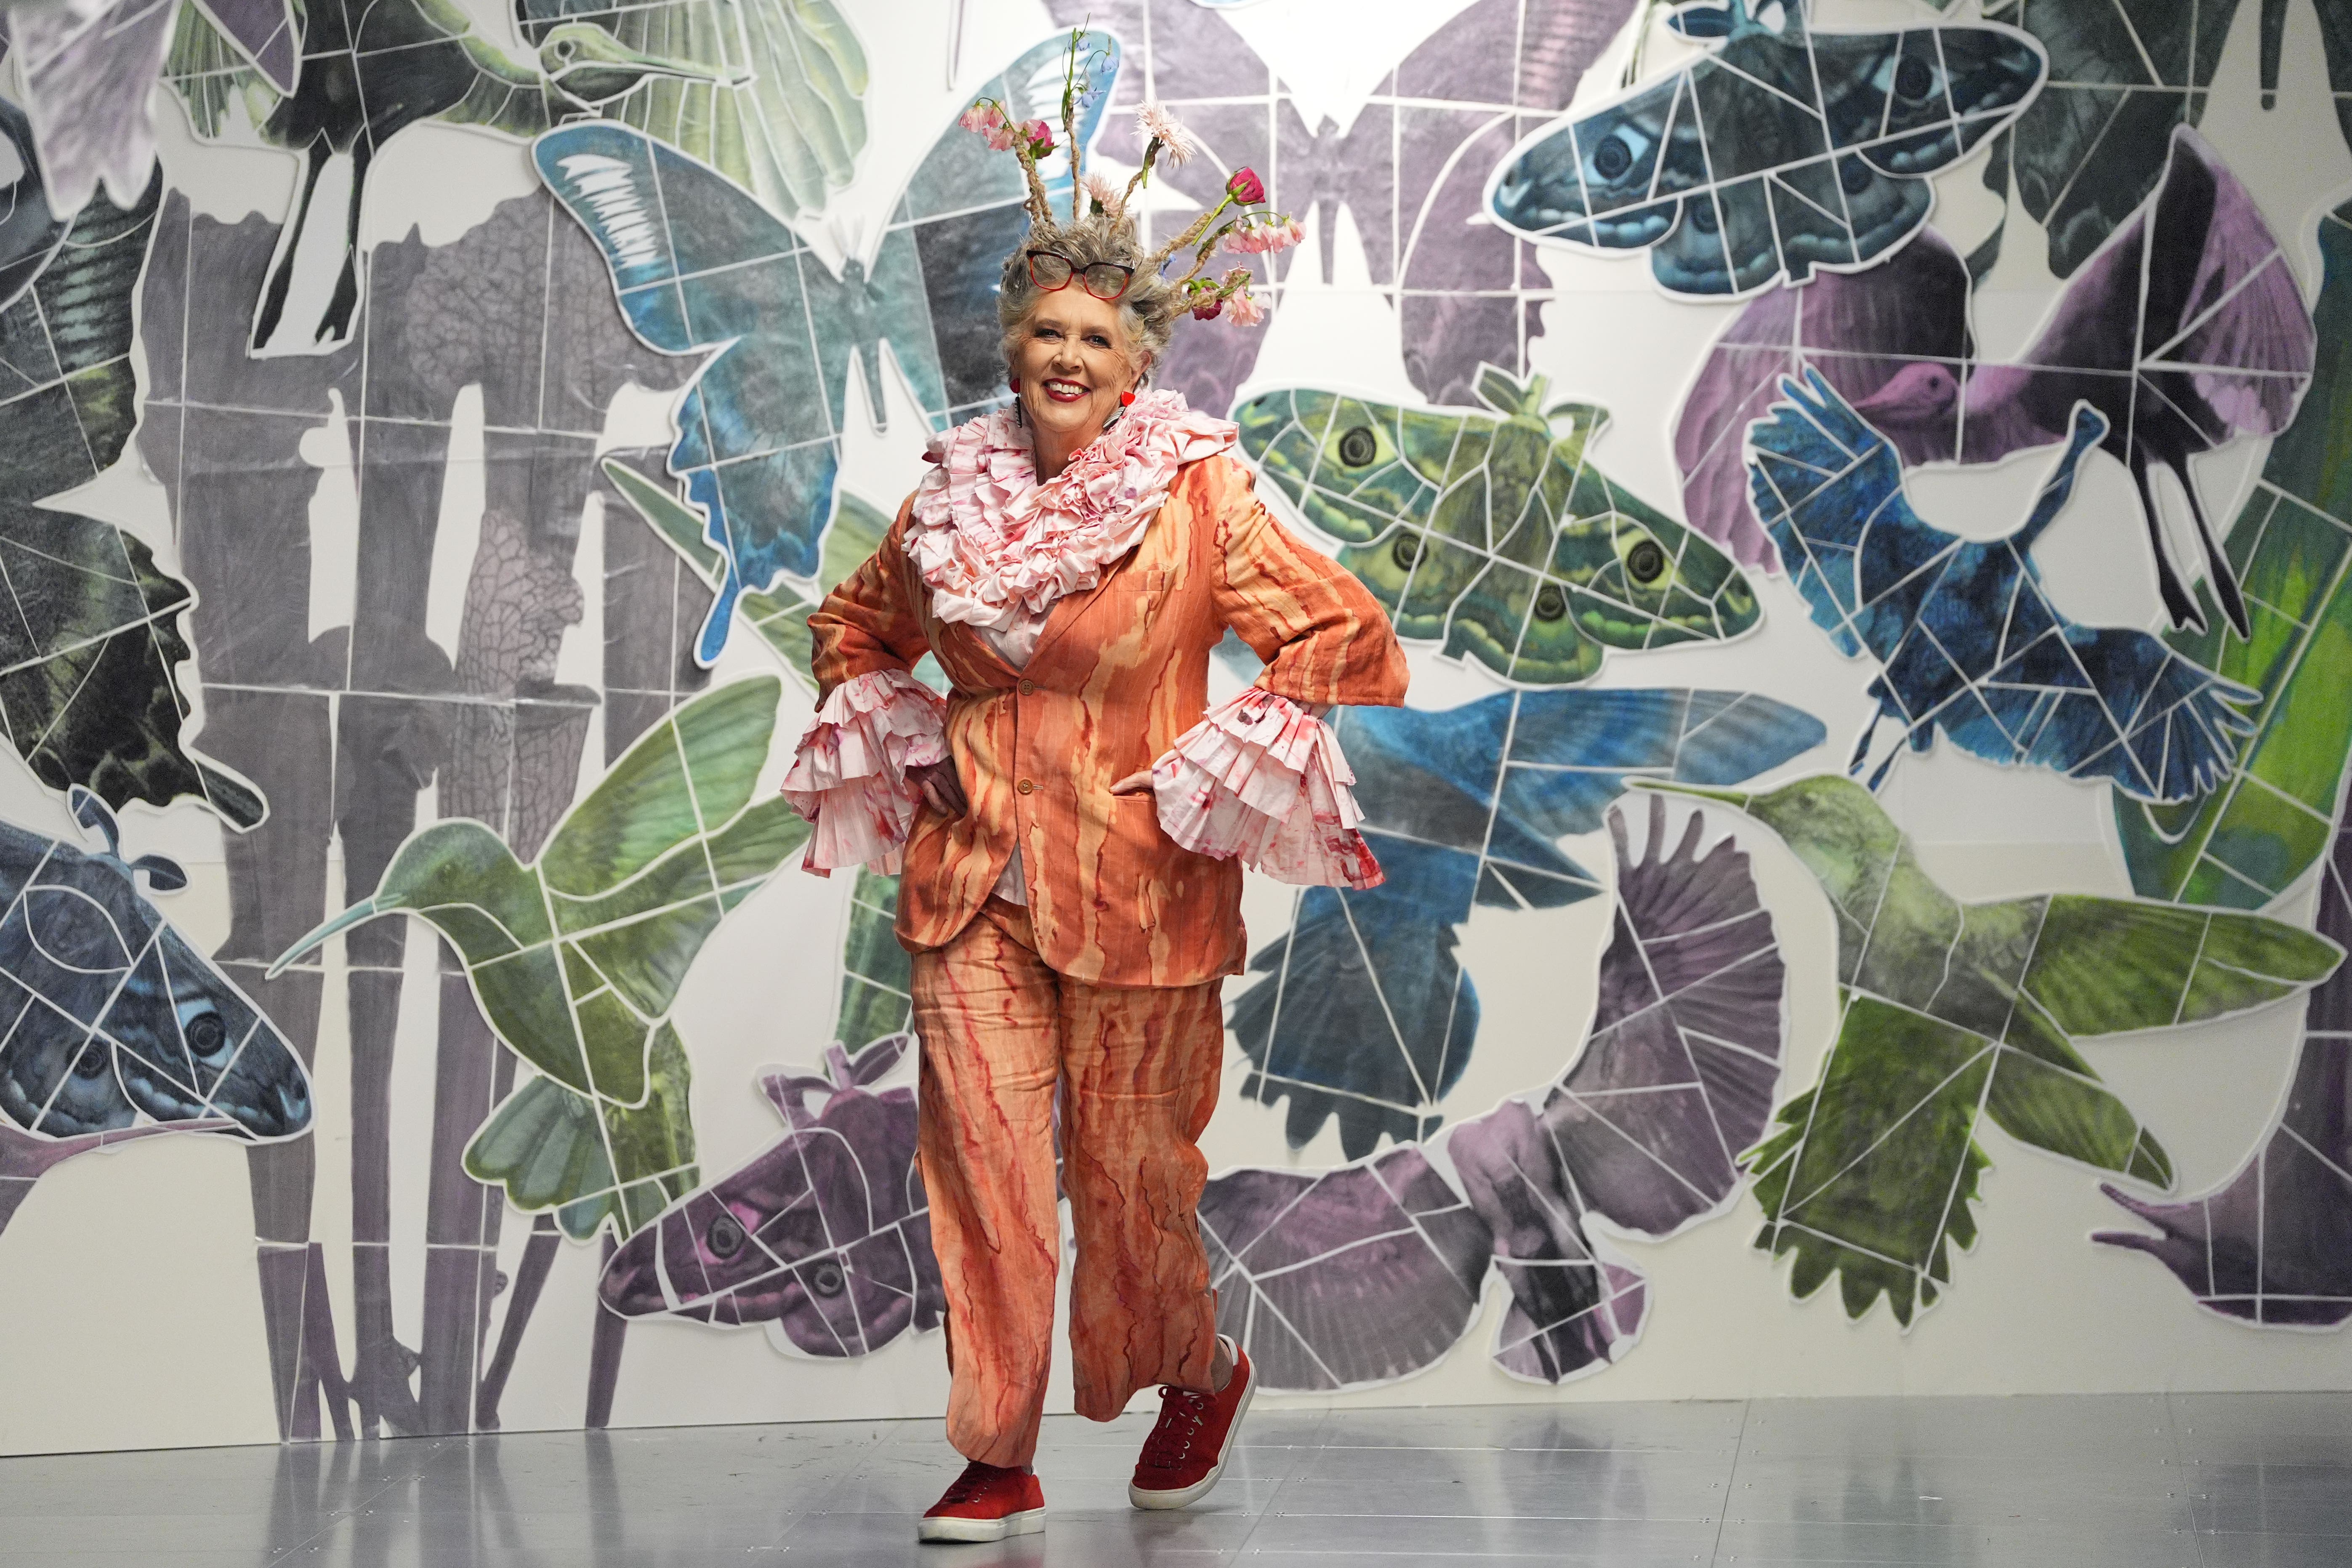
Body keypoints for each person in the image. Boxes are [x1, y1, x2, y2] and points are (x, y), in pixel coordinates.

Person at [782, 62, 1408, 1547]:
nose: (1067, 357)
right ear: (1013, 348)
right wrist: (906, 737)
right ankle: (995, 1449)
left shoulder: (1196, 493)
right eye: (1047, 333)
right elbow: (852, 624)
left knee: (1131, 1182)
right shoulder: (948, 499)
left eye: (1096, 338)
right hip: (971, 890)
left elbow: (1344, 633)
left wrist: (1222, 760)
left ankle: (1195, 1370)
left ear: (1136, 362)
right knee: (982, 1170)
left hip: (1142, 889)